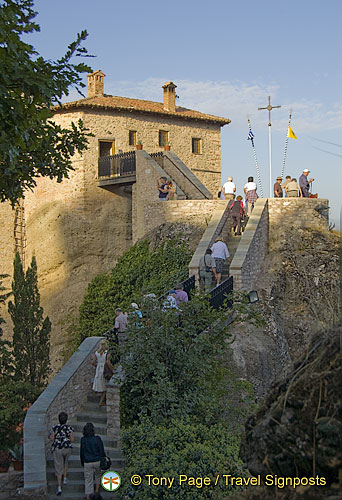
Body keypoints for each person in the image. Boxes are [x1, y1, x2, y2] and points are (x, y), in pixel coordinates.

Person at [50, 412, 74, 496]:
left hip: (58, 448)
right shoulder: (69, 428)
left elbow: (52, 438)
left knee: (58, 466)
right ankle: (65, 478)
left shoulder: (55, 428)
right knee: (65, 463)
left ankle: (59, 487)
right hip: (67, 448)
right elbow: (72, 439)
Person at [80, 423, 105, 500]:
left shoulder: (83, 440)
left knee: (88, 480)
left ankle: (88, 497)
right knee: (98, 476)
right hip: (97, 460)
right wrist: (103, 459)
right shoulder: (97, 439)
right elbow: (101, 450)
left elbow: (82, 452)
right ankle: (97, 492)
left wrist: (82, 462)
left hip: (87, 461)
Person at [92, 340, 113, 406]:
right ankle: (101, 402)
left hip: (99, 369)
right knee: (105, 386)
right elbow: (108, 362)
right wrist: (113, 370)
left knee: (99, 383)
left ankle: (95, 396)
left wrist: (97, 366)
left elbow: (93, 362)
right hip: (104, 369)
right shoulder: (107, 353)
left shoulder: (96, 353)